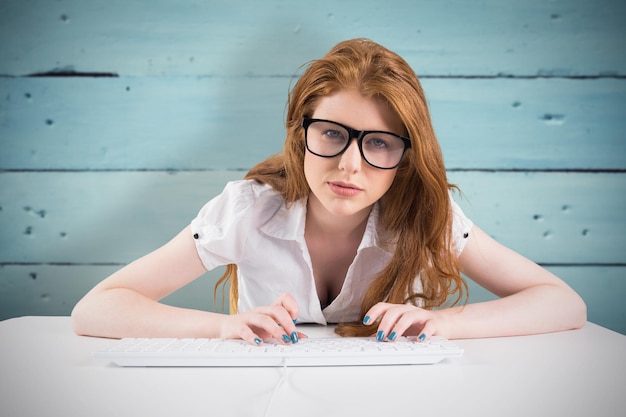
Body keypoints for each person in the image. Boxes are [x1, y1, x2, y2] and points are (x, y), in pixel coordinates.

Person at [71, 38, 586, 345]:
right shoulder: (248, 210)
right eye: (332, 134)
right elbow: (97, 309)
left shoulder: (426, 215)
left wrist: (438, 322)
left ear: (407, 158)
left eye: (379, 144)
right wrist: (221, 328)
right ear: (301, 132)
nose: (349, 165)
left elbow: (562, 304)